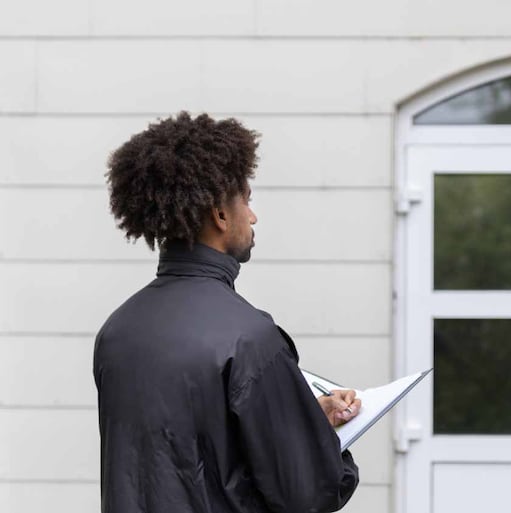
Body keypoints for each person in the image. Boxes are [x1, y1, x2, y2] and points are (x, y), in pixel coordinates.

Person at [93, 112, 361, 513]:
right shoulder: (249, 337)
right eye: (247, 200)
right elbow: (307, 492)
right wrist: (326, 448)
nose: (252, 216)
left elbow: (185, 452)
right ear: (220, 214)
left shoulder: (117, 330)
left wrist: (304, 420)